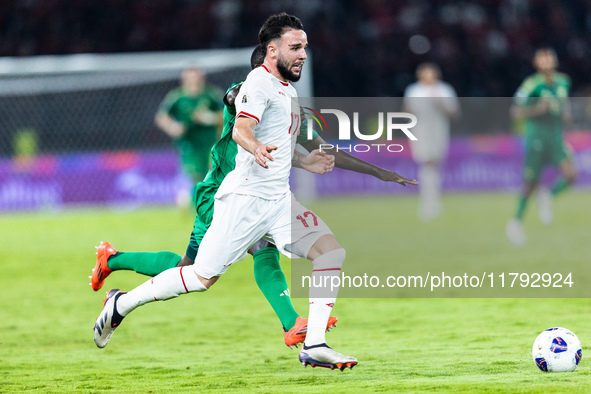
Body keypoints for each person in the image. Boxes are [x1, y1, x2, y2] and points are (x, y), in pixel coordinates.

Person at [93, 13, 416, 371]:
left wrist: (354, 169)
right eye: (295, 47)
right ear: (272, 49)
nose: (303, 54)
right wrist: (253, 146)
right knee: (200, 277)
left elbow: (290, 144)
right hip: (242, 200)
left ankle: (315, 344)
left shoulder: (289, 93)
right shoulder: (257, 83)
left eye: (305, 47)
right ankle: (120, 304)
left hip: (278, 200)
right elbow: (241, 129)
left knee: (330, 253)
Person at [506, 48, 575, 246]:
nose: (547, 61)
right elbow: (516, 111)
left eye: (550, 57)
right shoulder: (531, 85)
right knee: (530, 183)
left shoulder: (563, 81)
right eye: (542, 58)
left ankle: (547, 196)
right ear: (536, 63)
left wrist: (565, 114)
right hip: (537, 137)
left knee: (571, 174)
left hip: (555, 137)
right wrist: (537, 109)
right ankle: (515, 222)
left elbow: (563, 104)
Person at [155, 67, 223, 208]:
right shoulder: (177, 97)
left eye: (195, 77)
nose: (192, 80)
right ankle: (196, 204)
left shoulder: (211, 95)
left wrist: (208, 118)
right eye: (189, 78)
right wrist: (173, 127)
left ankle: (197, 202)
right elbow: (162, 117)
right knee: (195, 175)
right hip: (189, 144)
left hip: (211, 142)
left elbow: (227, 115)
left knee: (210, 175)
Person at [403, 62, 459, 221]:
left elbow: (454, 111)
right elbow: (408, 111)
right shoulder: (414, 90)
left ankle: (435, 201)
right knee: (426, 163)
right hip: (421, 131)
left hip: (439, 131)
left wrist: (440, 103)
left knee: (436, 164)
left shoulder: (444, 89)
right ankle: (427, 203)